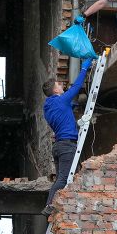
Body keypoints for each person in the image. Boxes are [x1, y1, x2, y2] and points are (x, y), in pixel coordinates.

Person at [41, 57, 93, 216]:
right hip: (66, 146)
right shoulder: (60, 101)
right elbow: (76, 86)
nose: (61, 85)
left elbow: (65, 108)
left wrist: (75, 105)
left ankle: (57, 206)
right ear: (55, 91)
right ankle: (49, 206)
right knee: (64, 179)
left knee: (60, 179)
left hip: (58, 147)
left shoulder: (49, 106)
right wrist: (84, 68)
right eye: (59, 84)